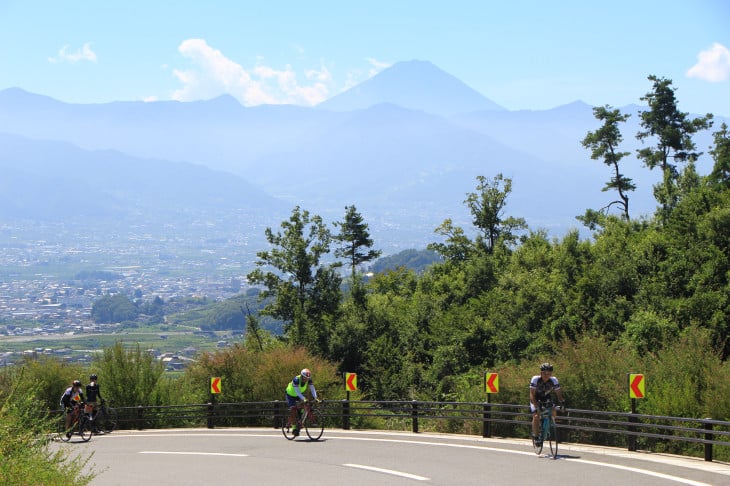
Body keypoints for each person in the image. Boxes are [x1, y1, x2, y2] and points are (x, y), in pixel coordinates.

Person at [530, 362, 565, 445]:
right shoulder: (535, 379)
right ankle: (536, 436)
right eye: (544, 373)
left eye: (549, 373)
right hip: (535, 398)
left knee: (553, 411)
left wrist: (562, 402)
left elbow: (558, 393)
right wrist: (536, 406)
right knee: (536, 416)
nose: (547, 375)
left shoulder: (554, 380)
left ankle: (548, 424)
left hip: (546, 398)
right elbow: (531, 394)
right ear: (541, 373)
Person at [285, 368, 319, 437]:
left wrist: (316, 397)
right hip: (290, 395)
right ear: (301, 376)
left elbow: (312, 389)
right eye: (305, 378)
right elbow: (297, 392)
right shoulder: (296, 380)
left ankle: (300, 421)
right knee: (293, 409)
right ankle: (294, 427)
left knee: (305, 405)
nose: (306, 379)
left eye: (307, 378)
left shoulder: (309, 380)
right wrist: (304, 399)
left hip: (298, 394)